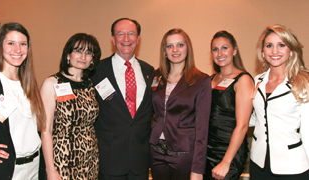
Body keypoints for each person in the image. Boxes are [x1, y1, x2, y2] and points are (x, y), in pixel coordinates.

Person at [91, 18, 154, 180]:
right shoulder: (96, 71)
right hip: (109, 160)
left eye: (131, 34)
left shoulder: (150, 71)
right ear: (113, 39)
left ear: (138, 39)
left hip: (140, 161)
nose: (126, 39)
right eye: (121, 34)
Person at [0, 22, 45, 179]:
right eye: (11, 43)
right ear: (0, 46)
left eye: (23, 44)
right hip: (8, 171)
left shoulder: (29, 83)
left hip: (34, 167)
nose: (18, 50)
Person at [149, 28, 211, 180]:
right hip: (156, 152)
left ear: (187, 48)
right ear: (164, 51)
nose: (175, 50)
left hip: (184, 155)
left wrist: (198, 168)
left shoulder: (201, 80)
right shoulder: (156, 76)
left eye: (180, 45)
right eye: (170, 46)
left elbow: (202, 128)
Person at [250, 24, 309, 179]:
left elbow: (307, 130)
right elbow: (258, 118)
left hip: (292, 167)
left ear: (291, 51)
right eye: (269, 46)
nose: (274, 51)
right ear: (263, 52)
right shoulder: (257, 80)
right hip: (258, 163)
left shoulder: (303, 82)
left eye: (281, 45)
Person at [40, 33, 101, 180]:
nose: (83, 56)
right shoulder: (52, 83)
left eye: (88, 52)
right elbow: (45, 130)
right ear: (68, 55)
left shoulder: (90, 85)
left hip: (90, 160)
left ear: (93, 59)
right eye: (78, 50)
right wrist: (51, 171)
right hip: (62, 160)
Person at [204, 31, 254, 180]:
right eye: (215, 49)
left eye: (224, 48)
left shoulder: (243, 79)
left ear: (235, 50)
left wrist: (226, 162)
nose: (219, 53)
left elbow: (243, 125)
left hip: (227, 153)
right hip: (207, 151)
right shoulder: (211, 79)